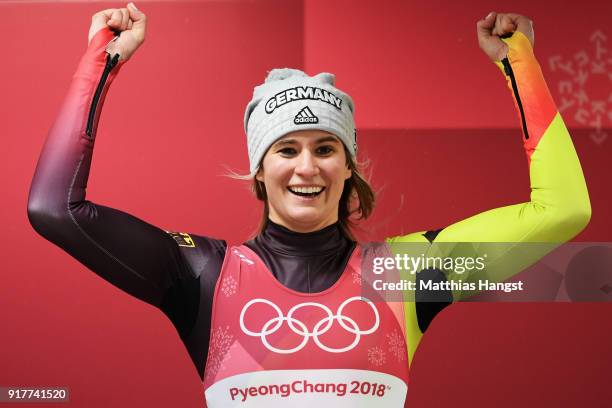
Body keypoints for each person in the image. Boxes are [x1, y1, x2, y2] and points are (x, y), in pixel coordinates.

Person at [27, 3, 591, 407]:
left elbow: (563, 209)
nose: (306, 167)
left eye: (326, 148)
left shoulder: (405, 272)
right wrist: (102, 61)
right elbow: (56, 208)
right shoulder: (203, 273)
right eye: (285, 150)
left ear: (349, 166)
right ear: (257, 168)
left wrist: (520, 65)